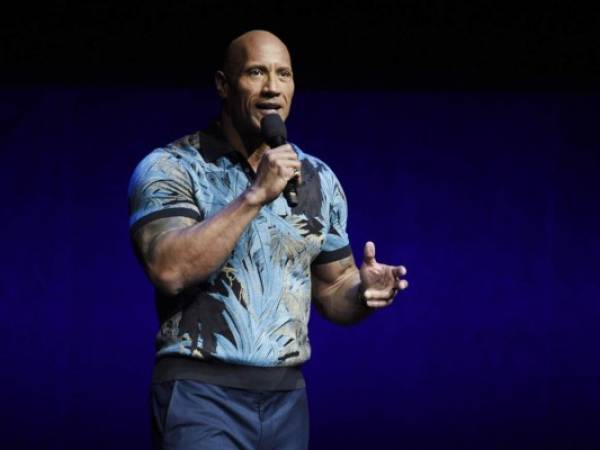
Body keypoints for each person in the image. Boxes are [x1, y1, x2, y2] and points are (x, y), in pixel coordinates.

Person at [128, 29, 408, 450]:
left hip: (286, 398)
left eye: (284, 74)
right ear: (223, 84)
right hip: (201, 393)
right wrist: (255, 195)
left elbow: (333, 287)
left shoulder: (316, 178)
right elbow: (169, 269)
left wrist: (364, 292)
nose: (272, 88)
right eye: (256, 73)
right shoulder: (172, 167)